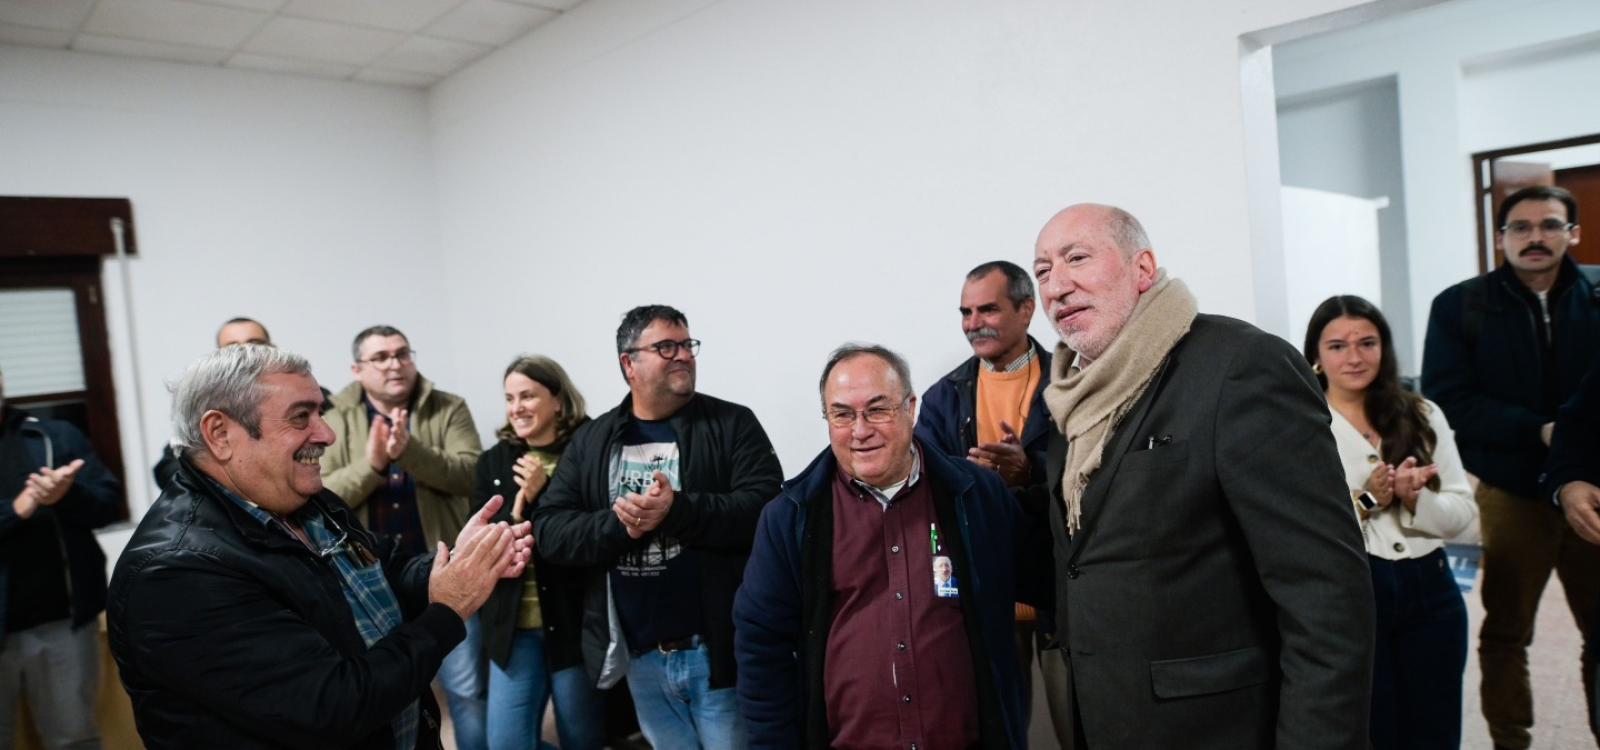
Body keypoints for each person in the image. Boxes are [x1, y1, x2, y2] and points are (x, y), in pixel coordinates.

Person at [1032, 203, 1374, 747]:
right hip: (1108, 722)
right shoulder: (1070, 398)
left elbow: (1325, 592)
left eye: (1077, 259)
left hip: (1220, 727)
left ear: (1143, 269)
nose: (1057, 286)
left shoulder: (1240, 365)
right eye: (1043, 270)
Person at [107, 344, 531, 749]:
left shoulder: (307, 500)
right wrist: (447, 611)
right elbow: (333, 708)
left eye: (320, 413)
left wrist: (459, 563)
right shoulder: (177, 572)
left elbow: (383, 571)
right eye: (300, 417)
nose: (326, 434)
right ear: (220, 433)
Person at [736, 344, 1036, 749]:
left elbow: (1043, 577)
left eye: (877, 410)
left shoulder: (976, 495)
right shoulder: (790, 518)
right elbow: (761, 649)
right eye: (842, 414)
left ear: (911, 408)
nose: (860, 431)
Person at [531, 305, 783, 750]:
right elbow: (550, 530)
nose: (682, 355)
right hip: (641, 660)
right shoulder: (593, 440)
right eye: (666, 346)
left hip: (718, 654)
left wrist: (676, 509)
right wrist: (621, 525)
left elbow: (765, 509)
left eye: (687, 345)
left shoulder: (733, 424)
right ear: (629, 363)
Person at [1422, 184, 1600, 748]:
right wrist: (1538, 430)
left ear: (1573, 232)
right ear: (1501, 238)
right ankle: (1509, 740)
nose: (1535, 237)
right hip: (1510, 488)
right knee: (1505, 633)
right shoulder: (1460, 305)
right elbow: (1449, 399)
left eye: (1550, 225)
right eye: (1520, 227)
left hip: (1594, 488)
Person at [1304, 295, 1476, 749]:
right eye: (1337, 346)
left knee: (1436, 731)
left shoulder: (1422, 414)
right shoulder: (1303, 424)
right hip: (1356, 590)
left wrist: (1417, 499)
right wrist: (1367, 500)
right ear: (1316, 355)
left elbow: (1464, 517)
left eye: (1367, 343)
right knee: (1373, 729)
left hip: (1432, 589)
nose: (1355, 357)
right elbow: (1303, 527)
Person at [913, 259, 1068, 744]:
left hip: (1061, 587)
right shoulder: (942, 398)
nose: (973, 323)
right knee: (995, 732)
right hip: (983, 594)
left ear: (1026, 310)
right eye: (966, 312)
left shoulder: (1072, 383)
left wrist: (1029, 472)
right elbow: (924, 490)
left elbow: (1098, 473)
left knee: (1083, 725)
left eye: (987, 309)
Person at [320, 325, 488, 750]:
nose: (394, 364)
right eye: (380, 357)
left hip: (444, 569)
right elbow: (320, 495)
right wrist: (373, 466)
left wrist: (410, 452)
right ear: (357, 370)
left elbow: (472, 475)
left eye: (402, 354)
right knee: (388, 695)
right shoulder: (332, 418)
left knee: (466, 690)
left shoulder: (448, 407)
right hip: (370, 581)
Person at [473, 356, 603, 750]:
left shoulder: (589, 452)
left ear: (558, 401)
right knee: (505, 743)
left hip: (574, 625)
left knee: (583, 740)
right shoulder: (494, 461)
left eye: (528, 396)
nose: (517, 408)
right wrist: (519, 507)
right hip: (513, 628)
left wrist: (543, 493)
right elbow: (479, 540)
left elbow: (590, 538)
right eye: (510, 398)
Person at [0, 366, 122, 750]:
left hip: (63, 624)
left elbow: (107, 504)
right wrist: (14, 510)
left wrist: (67, 495)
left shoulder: (52, 436)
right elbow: (18, 509)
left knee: (74, 740)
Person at [154, 316, 279, 492]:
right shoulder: (204, 406)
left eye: (255, 344)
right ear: (218, 356)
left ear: (273, 349)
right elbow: (168, 468)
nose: (246, 353)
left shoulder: (306, 396)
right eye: (233, 348)